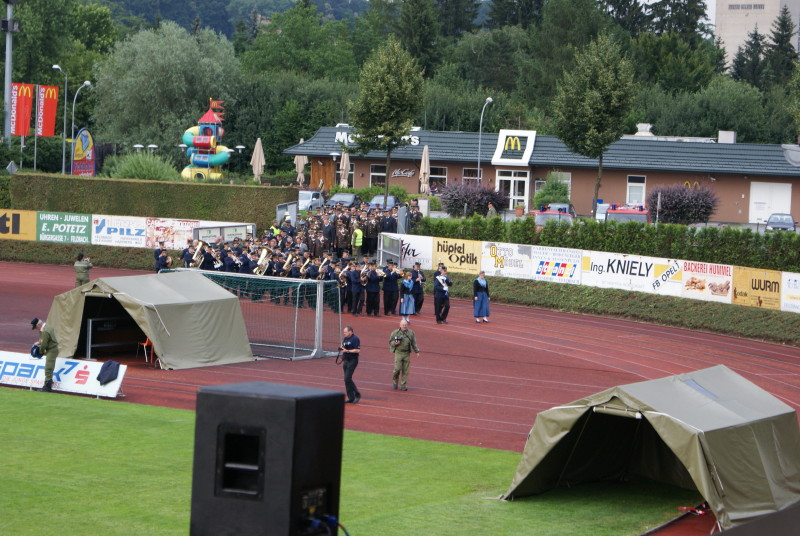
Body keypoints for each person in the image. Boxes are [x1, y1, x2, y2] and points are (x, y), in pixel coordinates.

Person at [389, 319, 420, 391]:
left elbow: (413, 342)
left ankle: (403, 385)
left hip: (407, 353)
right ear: (400, 325)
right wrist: (395, 343)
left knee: (405, 370)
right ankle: (395, 381)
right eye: (403, 325)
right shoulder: (395, 332)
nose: (404, 326)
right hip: (398, 352)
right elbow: (390, 342)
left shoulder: (411, 333)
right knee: (397, 369)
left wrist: (417, 351)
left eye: (405, 325)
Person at [31, 317, 59, 392]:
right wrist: (39, 342)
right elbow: (45, 339)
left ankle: (47, 387)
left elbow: (44, 344)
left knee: (48, 368)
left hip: (51, 350)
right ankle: (48, 383)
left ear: (38, 325)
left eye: (35, 327)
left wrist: (41, 351)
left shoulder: (45, 331)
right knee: (49, 367)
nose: (36, 329)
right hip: (53, 349)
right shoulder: (47, 327)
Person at [340, 325, 361, 404]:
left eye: (345, 332)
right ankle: (351, 397)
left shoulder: (355, 339)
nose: (344, 333)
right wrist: (342, 349)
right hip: (346, 360)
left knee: (347, 378)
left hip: (352, 360)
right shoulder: (345, 338)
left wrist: (347, 351)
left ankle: (357, 394)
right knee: (346, 380)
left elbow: (357, 350)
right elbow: (344, 347)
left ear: (350, 331)